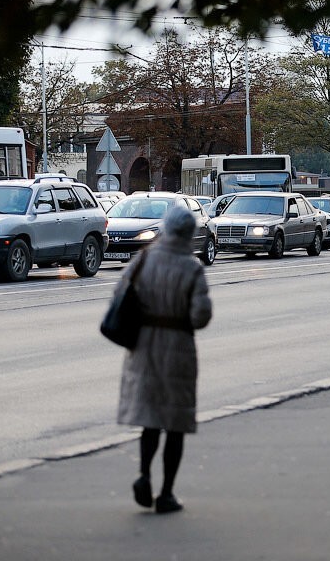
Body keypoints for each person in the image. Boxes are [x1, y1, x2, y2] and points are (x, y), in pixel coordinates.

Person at [116, 205, 213, 514]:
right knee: (174, 421)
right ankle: (167, 493)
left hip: (143, 346)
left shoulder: (144, 259)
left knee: (150, 418)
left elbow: (120, 295)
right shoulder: (191, 267)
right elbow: (200, 316)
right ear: (189, 233)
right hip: (178, 348)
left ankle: (143, 475)